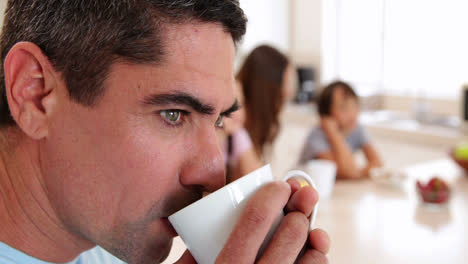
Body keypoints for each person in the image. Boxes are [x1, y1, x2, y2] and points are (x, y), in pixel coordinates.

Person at [0, 1, 329, 264]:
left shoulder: (99, 241)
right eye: (173, 114)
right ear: (34, 94)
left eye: (217, 121)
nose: (214, 173)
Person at [223, 45, 295, 182]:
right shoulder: (233, 118)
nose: (288, 92)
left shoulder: (249, 127)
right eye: (286, 83)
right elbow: (257, 181)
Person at [298, 81, 382, 179]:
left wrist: (357, 172)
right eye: (344, 107)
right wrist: (333, 133)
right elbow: (347, 172)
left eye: (355, 105)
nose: (352, 113)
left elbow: (377, 163)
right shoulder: (317, 135)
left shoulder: (357, 129)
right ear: (326, 114)